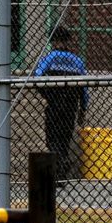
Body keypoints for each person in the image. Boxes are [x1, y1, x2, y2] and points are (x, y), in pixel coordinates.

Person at [33, 26, 88, 182]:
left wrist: (47, 94)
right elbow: (84, 89)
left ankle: (57, 169)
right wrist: (82, 109)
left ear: (53, 41)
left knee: (52, 137)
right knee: (65, 138)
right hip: (71, 106)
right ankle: (62, 167)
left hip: (55, 103)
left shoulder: (50, 58)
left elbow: (37, 77)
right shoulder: (77, 61)